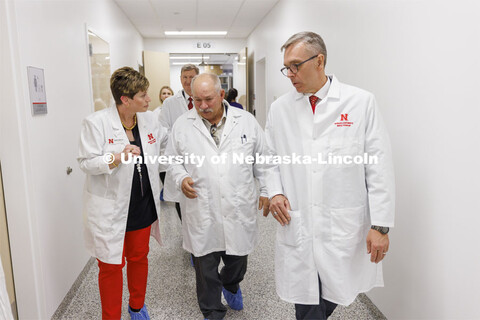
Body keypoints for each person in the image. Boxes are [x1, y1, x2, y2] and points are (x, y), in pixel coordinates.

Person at [265, 31, 395, 320]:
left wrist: (381, 226)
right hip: (299, 221)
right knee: (308, 301)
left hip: (343, 225)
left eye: (296, 65)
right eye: (286, 67)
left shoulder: (360, 103)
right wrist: (273, 191)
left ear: (319, 61)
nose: (290, 74)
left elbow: (378, 166)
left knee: (331, 292)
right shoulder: (280, 109)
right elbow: (268, 158)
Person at [164, 73, 272, 320]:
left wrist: (266, 190)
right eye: (196, 100)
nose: (202, 106)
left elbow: (264, 159)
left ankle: (232, 284)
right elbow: (171, 159)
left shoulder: (246, 121)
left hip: (238, 205)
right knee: (205, 268)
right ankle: (212, 310)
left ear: (221, 95)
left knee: (237, 262)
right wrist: (181, 177)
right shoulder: (182, 124)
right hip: (202, 208)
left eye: (208, 99)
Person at [78, 66, 167, 320]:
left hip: (142, 203)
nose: (149, 99)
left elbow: (163, 145)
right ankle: (111, 316)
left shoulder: (149, 119)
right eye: (143, 95)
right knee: (110, 267)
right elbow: (86, 162)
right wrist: (115, 158)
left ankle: (137, 306)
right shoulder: (96, 123)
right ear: (126, 99)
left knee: (139, 257)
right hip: (110, 209)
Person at [160, 64, 200, 220]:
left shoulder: (204, 99)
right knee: (180, 194)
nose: (188, 81)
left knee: (199, 192)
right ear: (180, 79)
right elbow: (163, 129)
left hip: (201, 156)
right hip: (179, 154)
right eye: (185, 77)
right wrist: (182, 140)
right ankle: (186, 229)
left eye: (192, 77)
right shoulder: (170, 103)